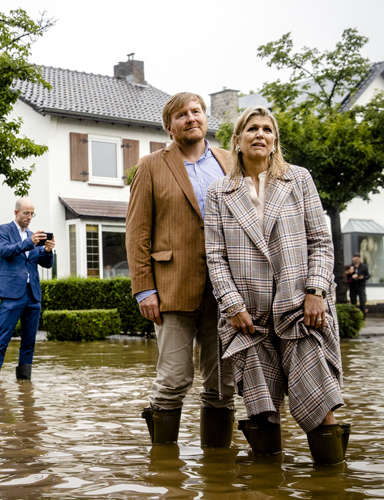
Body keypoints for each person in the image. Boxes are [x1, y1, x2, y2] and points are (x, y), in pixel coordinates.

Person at [205, 106, 349, 465]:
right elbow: (215, 257)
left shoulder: (298, 180)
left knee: (318, 397)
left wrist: (316, 292)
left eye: (267, 130)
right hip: (247, 318)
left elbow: (320, 241)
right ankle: (266, 482)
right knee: (261, 406)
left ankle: (332, 479)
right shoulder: (219, 192)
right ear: (237, 141)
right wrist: (232, 306)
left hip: (300, 310)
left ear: (275, 141)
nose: (260, 135)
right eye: (251, 129)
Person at [125, 92, 236, 447]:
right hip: (171, 287)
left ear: (205, 119)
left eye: (196, 112)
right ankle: (163, 465)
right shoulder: (150, 165)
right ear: (169, 127)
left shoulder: (231, 162)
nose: (191, 118)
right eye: (181, 115)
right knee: (174, 379)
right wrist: (144, 289)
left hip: (226, 290)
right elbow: (137, 231)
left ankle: (218, 469)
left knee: (222, 382)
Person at [0, 198, 54, 383]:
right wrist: (29, 242)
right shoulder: (2, 230)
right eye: (26, 213)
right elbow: (5, 251)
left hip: (32, 295)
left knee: (29, 341)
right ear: (16, 212)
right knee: (2, 339)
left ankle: (24, 383)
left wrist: (48, 251)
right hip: (11, 294)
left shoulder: (35, 236)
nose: (29, 217)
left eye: (32, 214)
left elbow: (46, 264)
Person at [348, 253, 370, 318]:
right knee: (353, 302)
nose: (356, 260)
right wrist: (351, 275)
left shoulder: (364, 266)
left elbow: (368, 276)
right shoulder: (350, 266)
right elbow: (346, 275)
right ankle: (354, 317)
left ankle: (363, 317)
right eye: (355, 258)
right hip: (353, 286)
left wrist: (362, 277)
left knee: (362, 301)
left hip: (361, 286)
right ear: (352, 258)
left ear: (360, 259)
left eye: (358, 258)